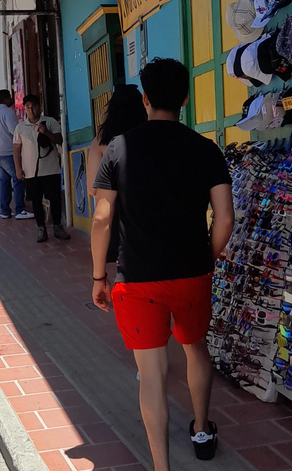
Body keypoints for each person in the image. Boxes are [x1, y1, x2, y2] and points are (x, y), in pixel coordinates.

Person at [90, 58, 234, 470]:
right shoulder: (205, 149)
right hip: (191, 272)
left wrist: (99, 275)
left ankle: (161, 467)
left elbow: (101, 218)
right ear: (185, 98)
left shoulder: (117, 148)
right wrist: (206, 257)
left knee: (151, 373)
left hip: (137, 278)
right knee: (195, 350)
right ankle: (202, 429)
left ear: (146, 98)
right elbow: (225, 218)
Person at [87, 84, 147, 263]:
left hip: (114, 215)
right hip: (148, 212)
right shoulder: (147, 135)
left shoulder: (101, 141)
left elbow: (92, 188)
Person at [13, 94, 70, 243]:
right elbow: (16, 150)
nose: (31, 110)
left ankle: (58, 227)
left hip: (50, 169)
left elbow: (59, 140)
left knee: (55, 199)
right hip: (31, 172)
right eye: (27, 107)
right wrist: (18, 169)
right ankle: (41, 228)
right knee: (36, 201)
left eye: (33, 106)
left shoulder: (50, 122)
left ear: (40, 107)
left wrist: (45, 132)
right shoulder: (20, 128)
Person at [0, 89, 33, 220]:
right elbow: (15, 132)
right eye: (10, 97)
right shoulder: (7, 113)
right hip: (8, 152)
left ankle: (5, 211)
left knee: (4, 182)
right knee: (18, 179)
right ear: (5, 99)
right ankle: (20, 209)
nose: (12, 99)